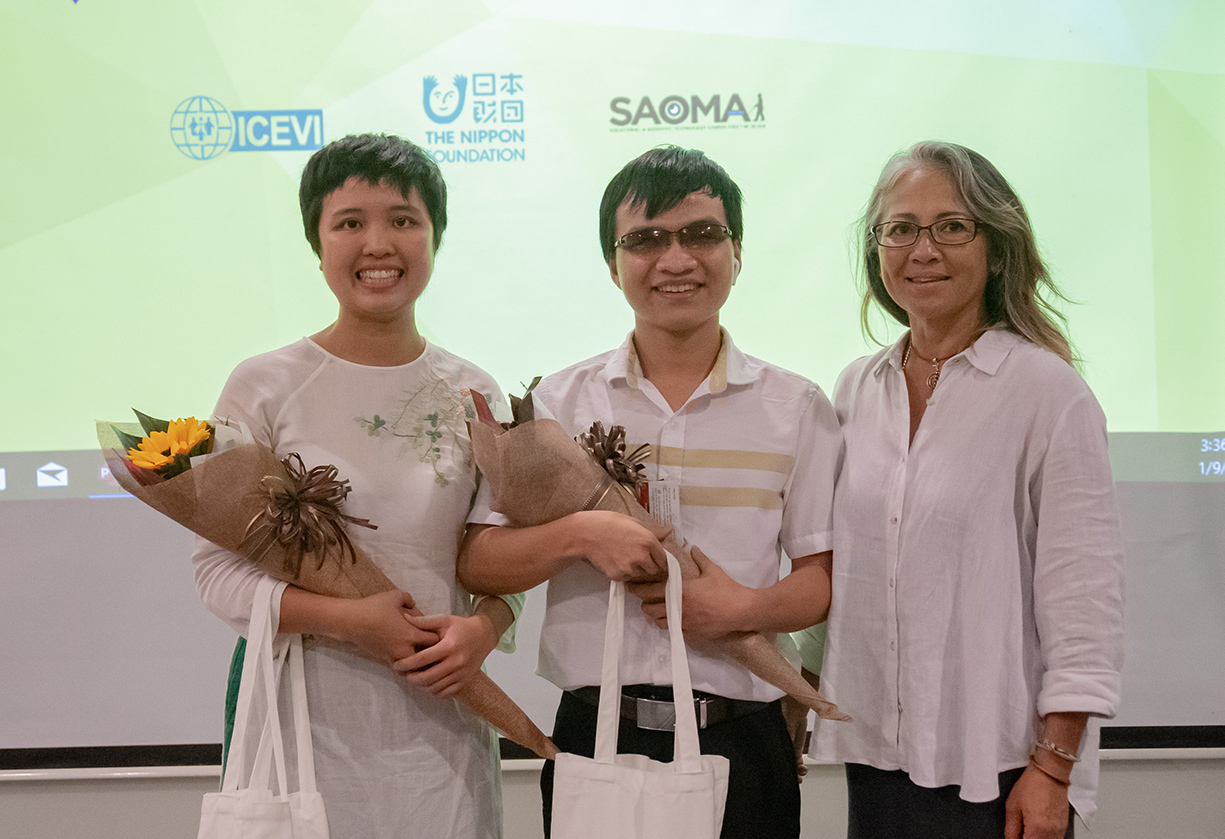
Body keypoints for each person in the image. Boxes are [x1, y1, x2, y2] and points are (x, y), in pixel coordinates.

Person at [458, 145, 841, 838]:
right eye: (646, 240)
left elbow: (820, 582)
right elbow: (479, 560)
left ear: (737, 252)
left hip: (744, 738)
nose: (676, 259)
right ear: (613, 263)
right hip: (596, 734)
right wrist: (579, 535)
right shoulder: (558, 403)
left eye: (701, 233)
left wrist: (741, 608)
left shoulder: (796, 406)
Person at [192, 133, 521, 838]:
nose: (379, 243)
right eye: (350, 222)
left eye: (403, 219)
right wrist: (351, 619)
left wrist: (485, 628)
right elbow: (217, 573)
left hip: (441, 728)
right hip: (299, 730)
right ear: (318, 242)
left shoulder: (473, 391)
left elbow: (507, 557)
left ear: (435, 236)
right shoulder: (265, 385)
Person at [801, 141, 1125, 839]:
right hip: (877, 758)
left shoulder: (1047, 392)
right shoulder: (857, 386)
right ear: (875, 248)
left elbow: (1082, 599)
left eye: (950, 225)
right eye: (900, 228)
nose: (923, 249)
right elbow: (842, 572)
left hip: (1001, 768)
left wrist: (1054, 769)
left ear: (995, 245)